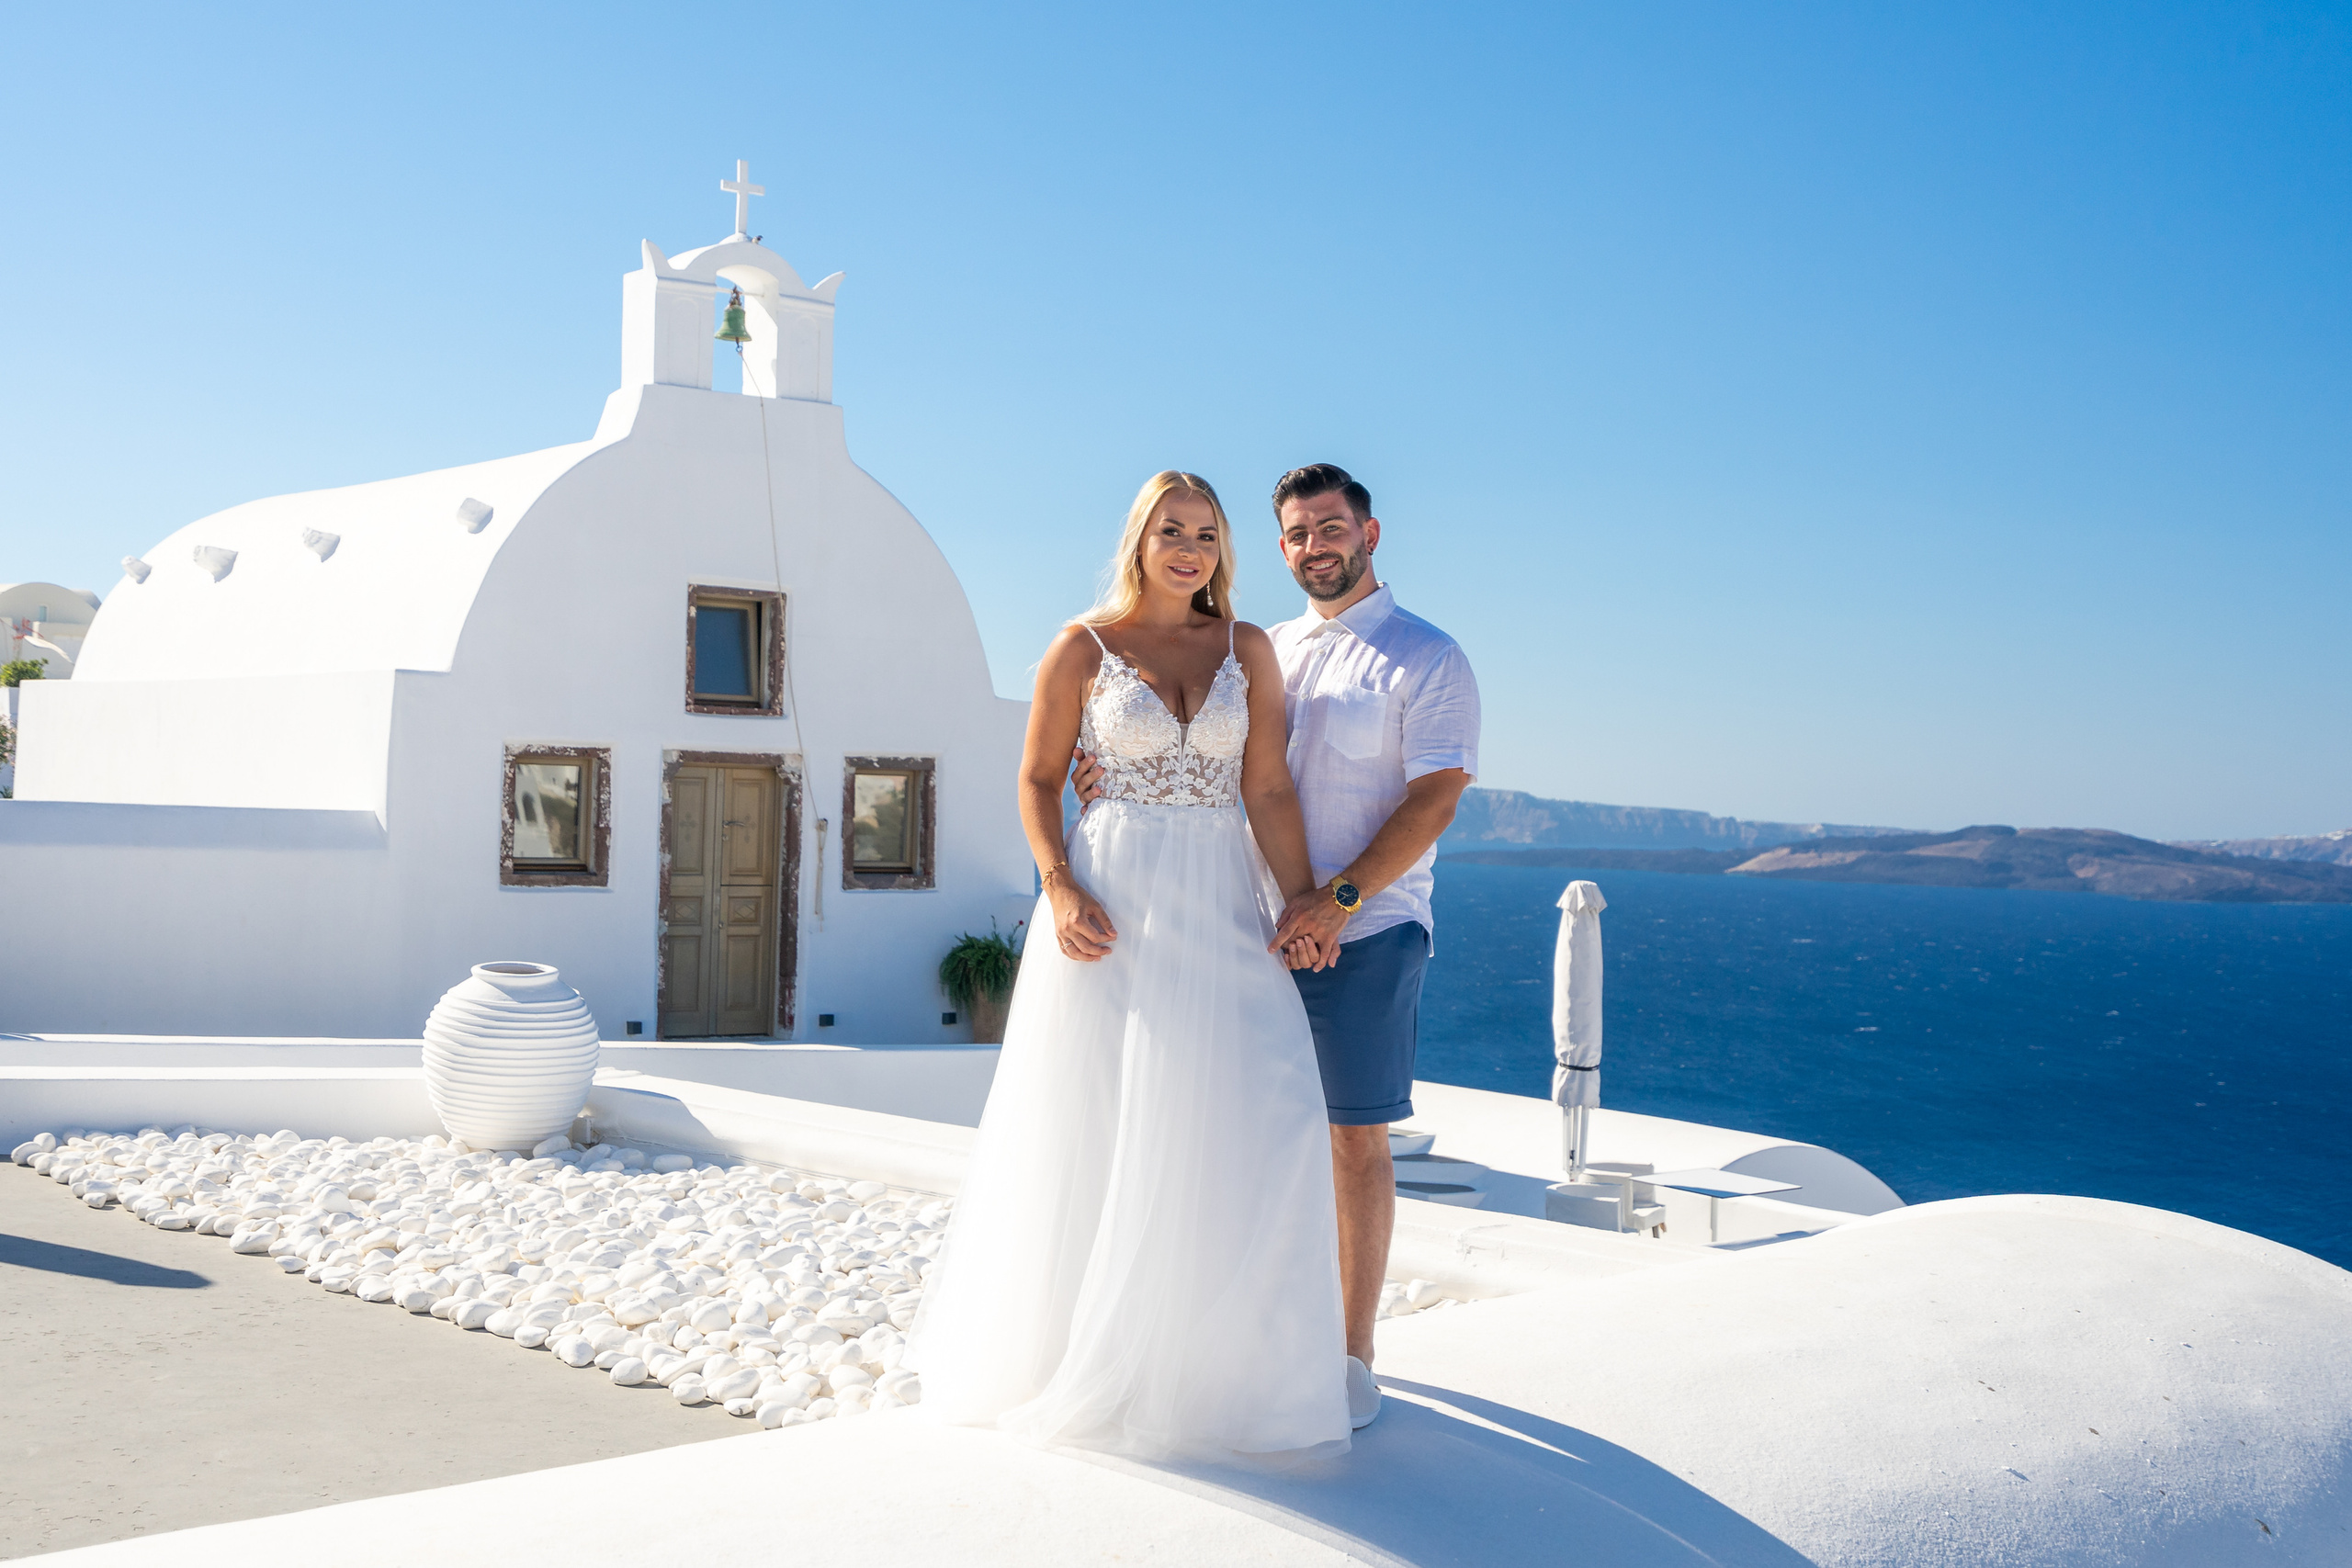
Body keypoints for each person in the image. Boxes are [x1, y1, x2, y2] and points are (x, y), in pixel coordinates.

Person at [905, 470, 1352, 1461]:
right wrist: (1058, 884)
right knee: (1103, 1117)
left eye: (1205, 533)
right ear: (1139, 541)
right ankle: (1084, 1359)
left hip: (1224, 902)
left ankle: (1232, 1374)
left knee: (1262, 1107)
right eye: (1171, 530)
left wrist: (1303, 902)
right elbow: (1033, 776)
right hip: (1116, 900)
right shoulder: (1081, 647)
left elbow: (1268, 784)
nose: (1189, 548)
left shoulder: (1248, 650)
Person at [1073, 463, 1479, 1429]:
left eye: (1330, 528)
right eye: (1296, 535)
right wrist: (1116, 770)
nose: (1314, 548)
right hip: (1234, 926)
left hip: (1363, 931)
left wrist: (1335, 902)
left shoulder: (1426, 657)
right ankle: (1243, 1336)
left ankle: (1349, 1353)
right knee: (1232, 1134)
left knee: (1350, 1140)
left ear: (1369, 535)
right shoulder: (1262, 647)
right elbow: (1215, 765)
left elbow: (1435, 800)